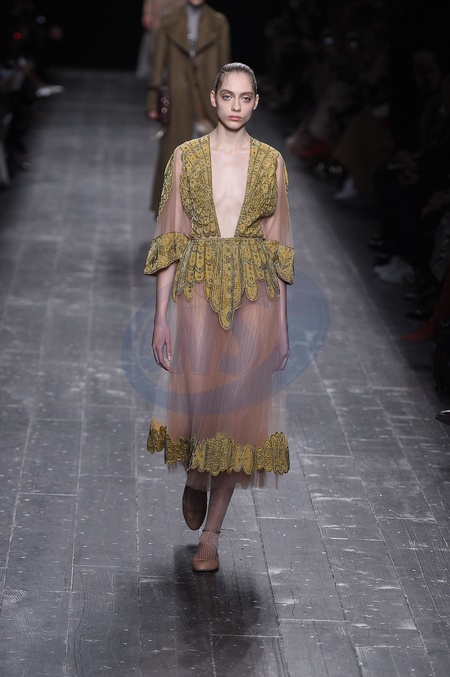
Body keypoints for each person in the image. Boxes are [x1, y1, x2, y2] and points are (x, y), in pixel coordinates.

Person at [144, 63, 295, 572]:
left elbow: (279, 249)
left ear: (256, 103)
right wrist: (160, 317)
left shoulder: (271, 162)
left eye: (245, 97)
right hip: (198, 290)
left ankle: (212, 536)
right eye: (228, 96)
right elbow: (170, 237)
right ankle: (195, 477)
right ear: (213, 99)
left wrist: (283, 327)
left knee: (236, 413)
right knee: (201, 401)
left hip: (255, 294)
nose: (235, 105)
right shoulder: (186, 158)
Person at [146, 0, 230, 212]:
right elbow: (158, 64)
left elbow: (224, 67)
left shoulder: (219, 22)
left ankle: (209, 214)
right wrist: (152, 101)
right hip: (178, 94)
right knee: (173, 154)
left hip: (207, 96)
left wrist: (227, 102)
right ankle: (168, 211)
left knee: (212, 157)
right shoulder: (169, 21)